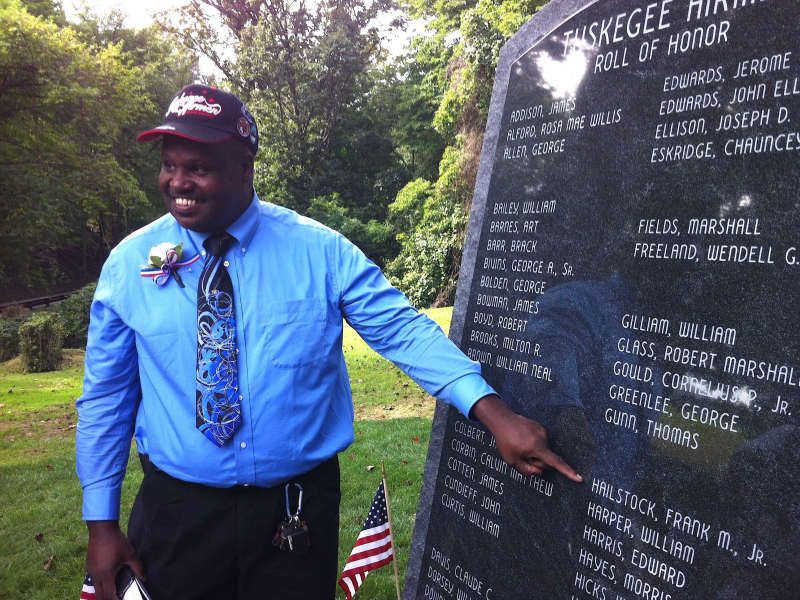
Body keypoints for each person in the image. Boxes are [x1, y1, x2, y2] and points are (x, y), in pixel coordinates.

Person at [76, 84, 582, 600]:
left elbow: (402, 330)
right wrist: (101, 525)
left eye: (198, 168)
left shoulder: (321, 252)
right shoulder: (127, 264)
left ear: (245, 168)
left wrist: (495, 413)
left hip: (294, 515)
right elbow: (106, 399)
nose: (177, 182)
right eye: (169, 165)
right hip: (178, 513)